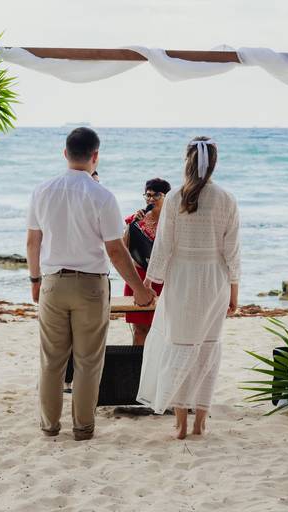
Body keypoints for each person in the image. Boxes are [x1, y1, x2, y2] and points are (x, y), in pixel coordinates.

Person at [26, 127, 156, 441]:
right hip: (91, 286)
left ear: (65, 153)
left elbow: (33, 241)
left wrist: (35, 279)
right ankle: (83, 427)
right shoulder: (102, 195)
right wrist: (139, 289)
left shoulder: (42, 190)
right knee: (87, 362)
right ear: (95, 156)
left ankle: (50, 425)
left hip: (53, 283)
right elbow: (115, 250)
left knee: (52, 361)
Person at [136, 137, 240, 439]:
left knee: (180, 348)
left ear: (187, 161)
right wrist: (234, 291)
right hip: (215, 282)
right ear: (214, 163)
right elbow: (232, 251)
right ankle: (200, 423)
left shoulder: (174, 198)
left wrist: (149, 282)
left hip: (182, 280)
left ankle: (180, 423)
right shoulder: (226, 199)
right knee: (207, 350)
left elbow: (163, 247)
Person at [122, 178, 172, 346]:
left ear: (167, 197)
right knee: (140, 330)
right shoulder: (136, 219)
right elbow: (122, 248)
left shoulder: (173, 222)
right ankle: (137, 369)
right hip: (138, 278)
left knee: (164, 330)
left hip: (163, 279)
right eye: (148, 195)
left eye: (156, 195)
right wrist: (132, 224)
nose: (151, 199)